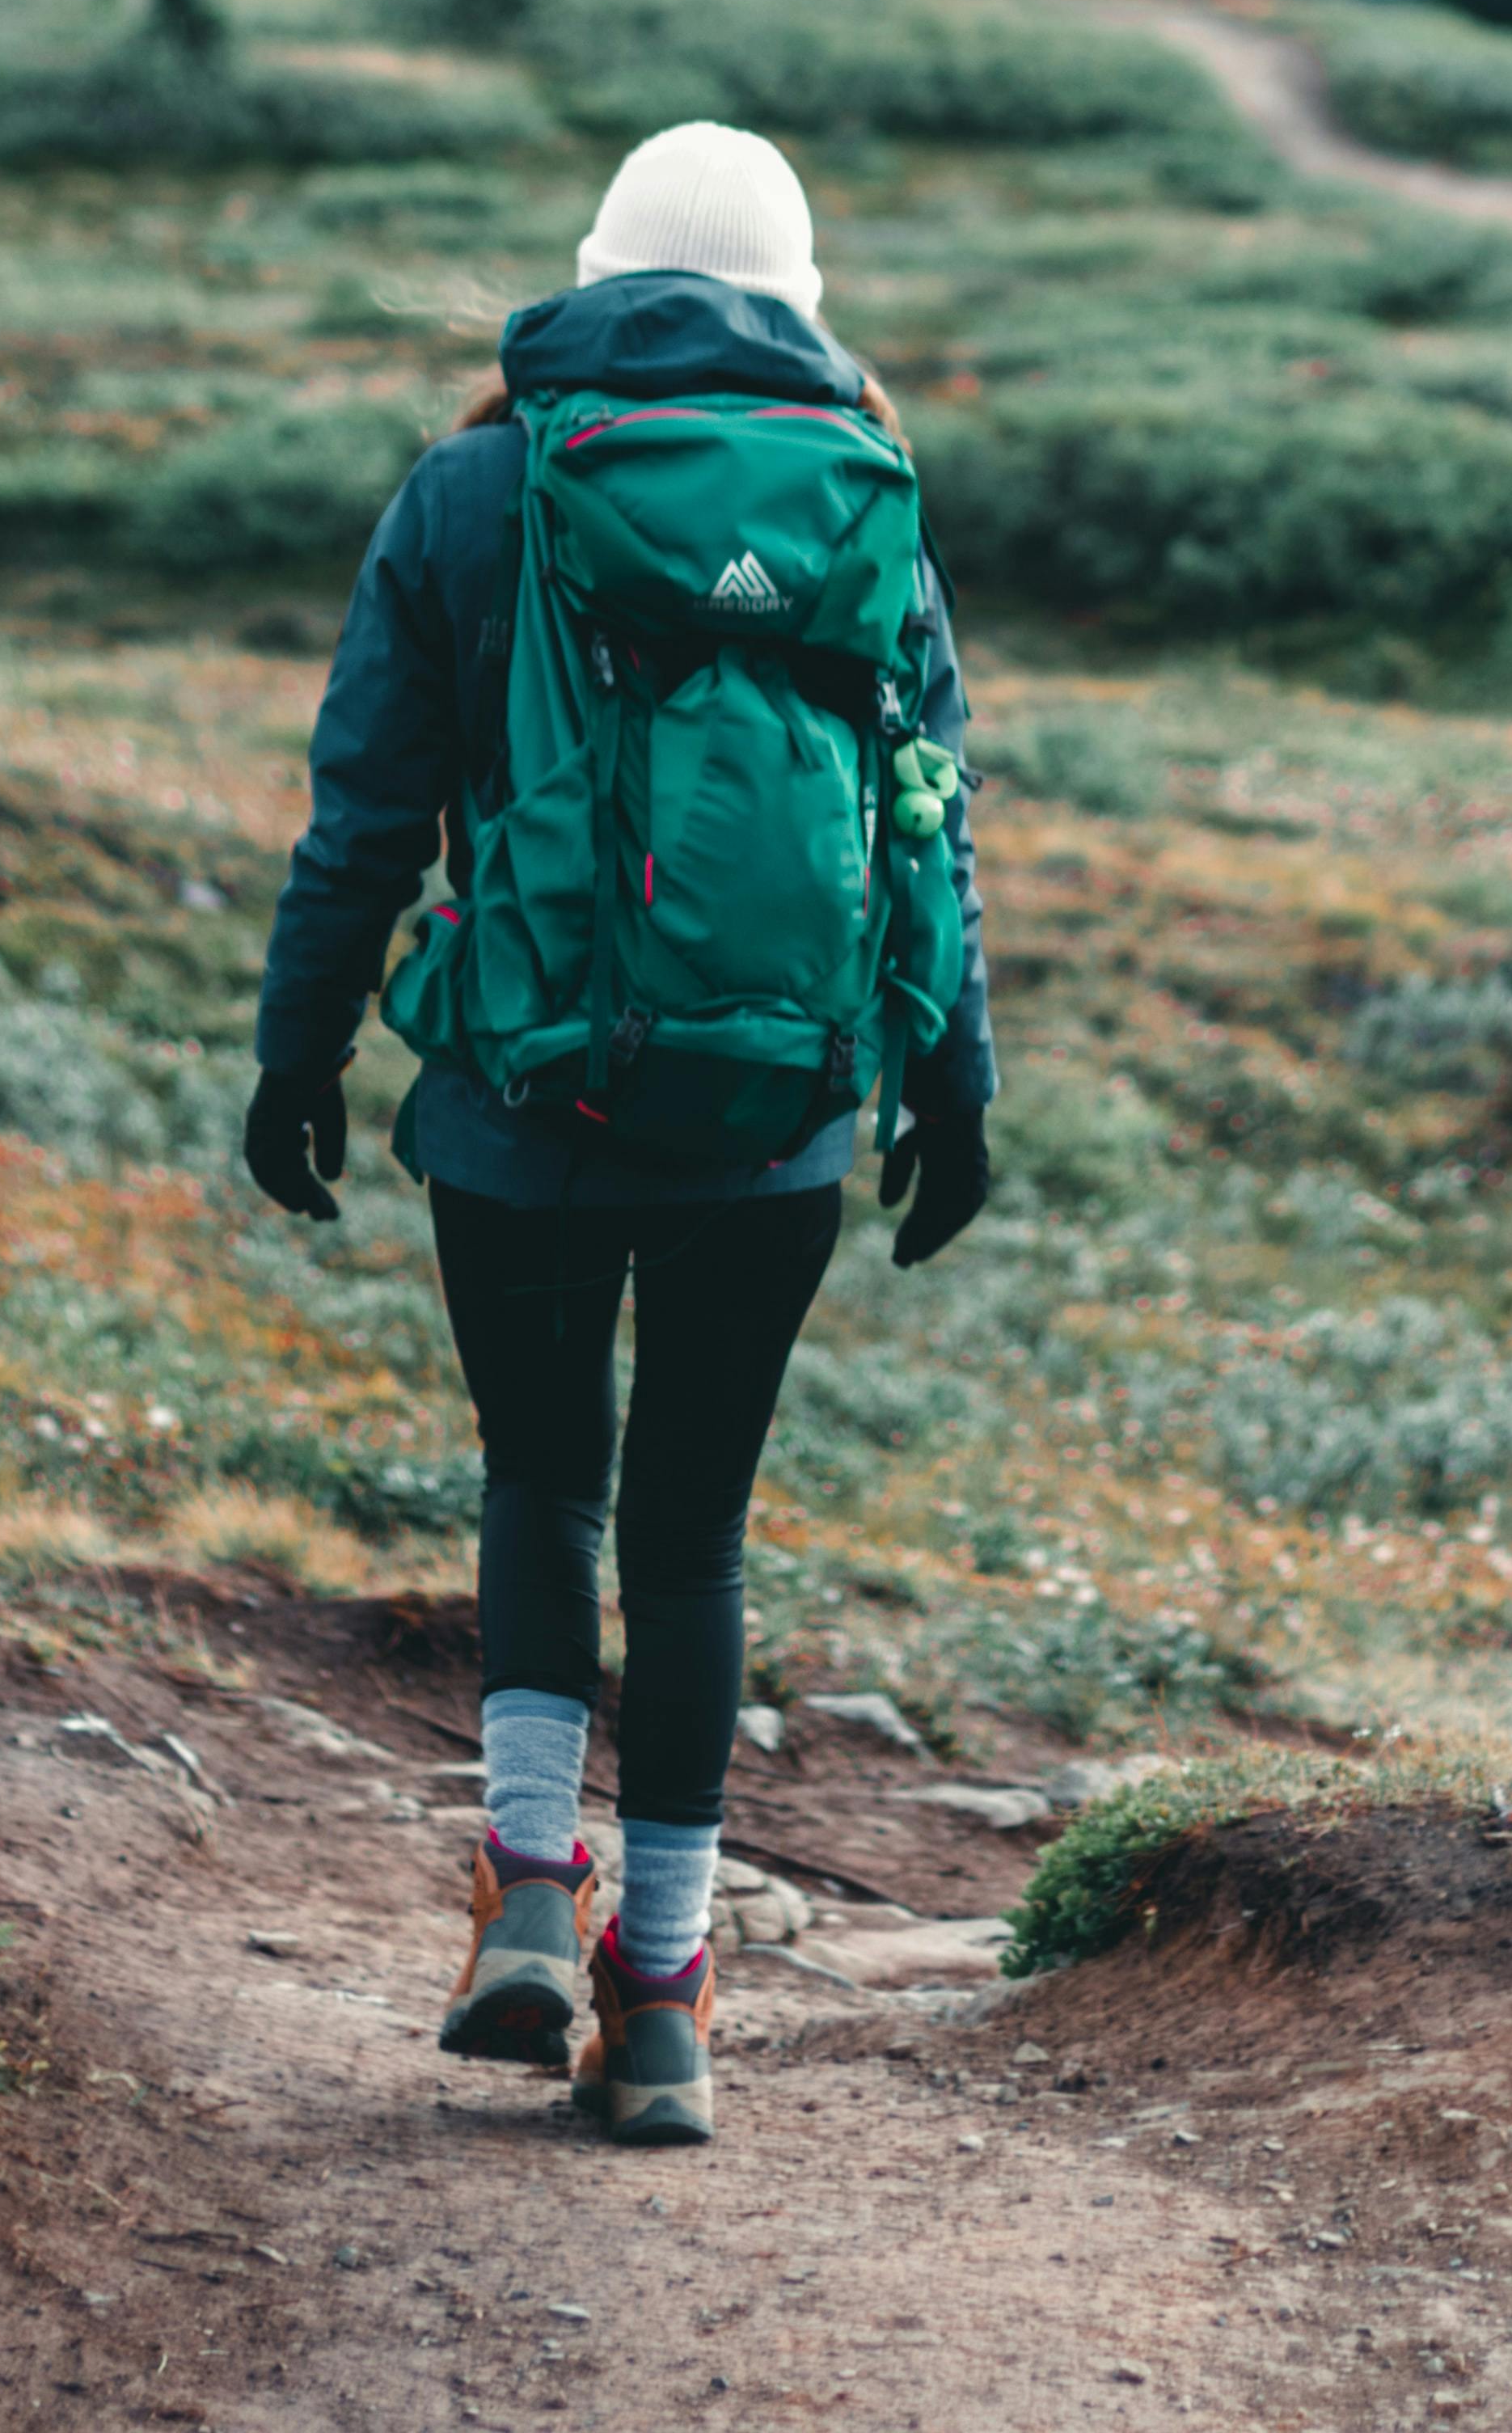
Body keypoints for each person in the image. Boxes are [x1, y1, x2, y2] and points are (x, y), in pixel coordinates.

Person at [242, 120, 995, 2152]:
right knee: (689, 1540)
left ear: (595, 274)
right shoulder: (865, 501)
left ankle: (521, 1897)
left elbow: (363, 815)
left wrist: (297, 1051)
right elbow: (926, 809)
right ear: (796, 303)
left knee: (542, 1487)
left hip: (518, 1107)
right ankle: (658, 2002)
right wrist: (951, 1078)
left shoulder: (477, 487)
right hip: (779, 1130)